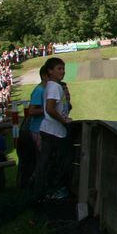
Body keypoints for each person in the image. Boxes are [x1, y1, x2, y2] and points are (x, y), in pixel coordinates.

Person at [36, 58, 71, 200]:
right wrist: (63, 120)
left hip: (51, 130)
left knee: (47, 162)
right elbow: (50, 109)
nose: (62, 71)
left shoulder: (51, 86)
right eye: (59, 69)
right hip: (54, 131)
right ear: (50, 71)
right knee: (58, 162)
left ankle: (41, 192)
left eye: (63, 68)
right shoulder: (54, 87)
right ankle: (52, 191)